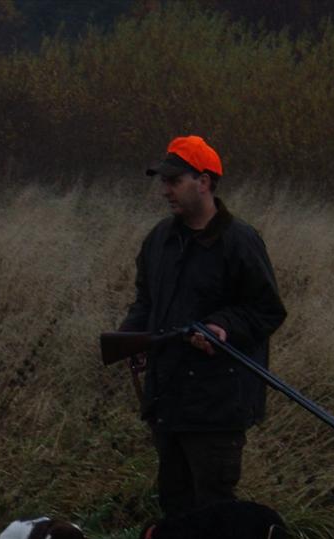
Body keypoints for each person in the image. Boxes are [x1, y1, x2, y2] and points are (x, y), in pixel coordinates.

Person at [119, 135, 286, 518]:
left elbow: (267, 310)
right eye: (164, 181)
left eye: (174, 181)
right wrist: (131, 340)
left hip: (217, 402)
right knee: (174, 504)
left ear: (205, 182)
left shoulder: (239, 241)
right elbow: (146, 301)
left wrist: (223, 327)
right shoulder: (159, 240)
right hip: (168, 397)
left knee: (214, 507)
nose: (165, 190)